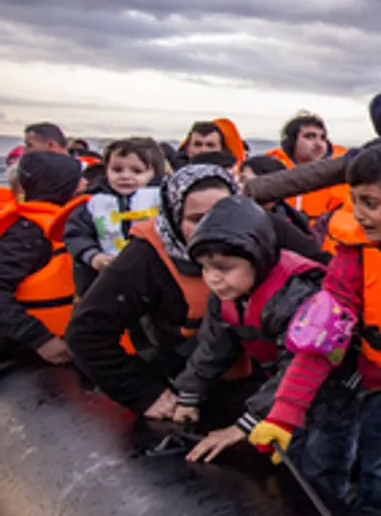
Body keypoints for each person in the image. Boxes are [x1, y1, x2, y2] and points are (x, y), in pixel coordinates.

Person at [248, 142, 381, 516]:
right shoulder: (353, 258)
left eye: (370, 203)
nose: (358, 214)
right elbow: (321, 338)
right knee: (378, 476)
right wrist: (283, 415)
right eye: (355, 201)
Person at [65, 165, 325, 417]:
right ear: (174, 216)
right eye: (196, 219)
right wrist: (144, 394)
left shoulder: (262, 228)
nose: (214, 226)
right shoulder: (144, 256)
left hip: (274, 383)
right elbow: (86, 333)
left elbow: (328, 280)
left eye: (221, 212)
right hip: (187, 389)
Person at [166, 196, 328, 464]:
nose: (213, 278)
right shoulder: (227, 295)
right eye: (205, 268)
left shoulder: (295, 295)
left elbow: (297, 366)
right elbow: (213, 347)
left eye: (224, 268)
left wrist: (245, 424)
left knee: (318, 458)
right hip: (281, 385)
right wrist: (189, 395)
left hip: (326, 390)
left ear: (258, 259)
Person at [0, 152, 82, 364]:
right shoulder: (27, 234)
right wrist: (40, 339)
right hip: (21, 350)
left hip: (62, 344)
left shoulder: (73, 226)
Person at [60, 137, 167, 296]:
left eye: (137, 171)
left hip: (154, 277)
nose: (125, 176)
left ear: (154, 173)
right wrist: (92, 255)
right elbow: (76, 233)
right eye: (117, 170)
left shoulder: (163, 199)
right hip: (103, 277)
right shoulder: (92, 202)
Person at [265, 112, 350, 229]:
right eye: (310, 137)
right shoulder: (269, 169)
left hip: (321, 236)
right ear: (292, 141)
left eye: (323, 138)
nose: (319, 144)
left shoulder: (339, 175)